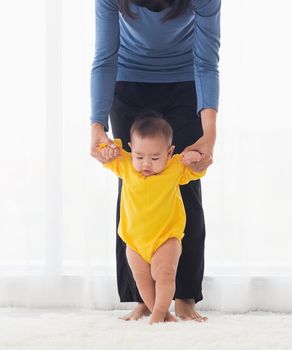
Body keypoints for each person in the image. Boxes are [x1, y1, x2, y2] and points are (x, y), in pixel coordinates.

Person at [89, 0, 220, 322]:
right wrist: (96, 126)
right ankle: (143, 299)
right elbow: (105, 58)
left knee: (186, 188)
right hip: (128, 82)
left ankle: (186, 296)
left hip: (186, 82)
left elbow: (206, 63)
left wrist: (210, 133)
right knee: (134, 188)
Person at [98, 116, 204, 324]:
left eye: (155, 158)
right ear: (131, 149)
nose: (146, 163)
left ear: (169, 152)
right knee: (143, 280)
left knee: (165, 273)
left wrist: (193, 156)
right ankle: (163, 313)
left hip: (166, 238)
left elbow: (197, 168)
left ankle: (157, 316)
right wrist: (106, 148)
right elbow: (107, 152)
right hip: (135, 241)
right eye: (139, 156)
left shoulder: (175, 168)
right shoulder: (126, 165)